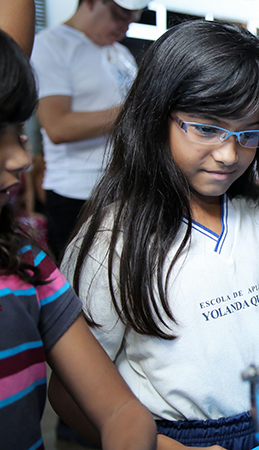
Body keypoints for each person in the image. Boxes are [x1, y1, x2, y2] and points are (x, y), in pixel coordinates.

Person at [51, 21, 259, 450]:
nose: (228, 154)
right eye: (206, 128)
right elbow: (69, 394)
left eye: (247, 134)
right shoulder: (113, 242)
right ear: (155, 117)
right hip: (170, 438)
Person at [0, 29, 157, 450]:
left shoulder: (29, 266)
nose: (19, 158)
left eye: (17, 131)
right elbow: (60, 125)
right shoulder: (59, 45)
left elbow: (120, 410)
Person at [30, 0, 148, 262]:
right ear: (92, 2)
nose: (125, 28)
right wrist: (134, 110)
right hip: (76, 195)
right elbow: (58, 126)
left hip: (121, 188)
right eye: (119, 17)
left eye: (131, 21)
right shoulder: (51, 45)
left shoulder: (121, 54)